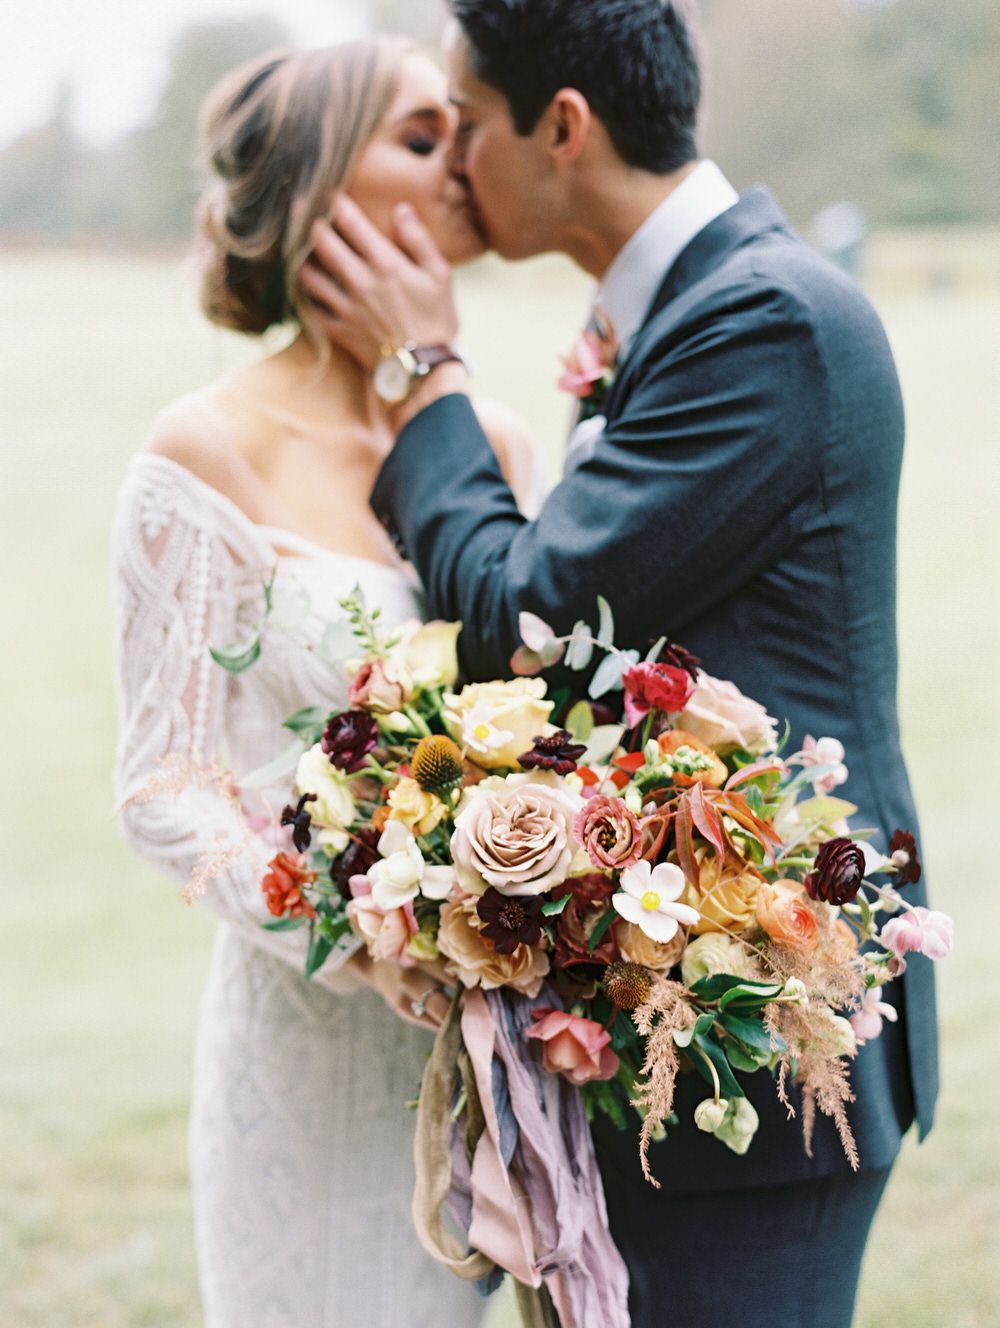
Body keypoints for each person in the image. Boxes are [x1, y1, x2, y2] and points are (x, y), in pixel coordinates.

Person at [300, 2, 938, 1325]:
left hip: (759, 1047)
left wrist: (424, 376)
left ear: (565, 127)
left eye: (464, 126)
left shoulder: (762, 322)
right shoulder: (693, 310)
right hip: (667, 1037)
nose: (454, 162)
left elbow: (529, 620)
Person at [112, 38, 539, 1328]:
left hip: (500, 1066)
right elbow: (163, 788)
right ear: (318, 192)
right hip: (308, 1057)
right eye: (419, 138)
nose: (462, 159)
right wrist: (357, 936)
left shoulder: (504, 446)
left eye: (460, 129)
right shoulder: (208, 449)